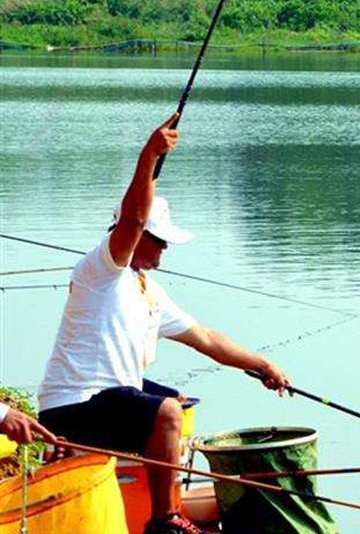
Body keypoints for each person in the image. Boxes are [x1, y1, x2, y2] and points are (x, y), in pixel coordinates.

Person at [37, 113, 291, 534]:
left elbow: (207, 339)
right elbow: (133, 221)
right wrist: (149, 155)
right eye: (161, 241)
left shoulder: (147, 290)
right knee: (166, 413)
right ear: (139, 238)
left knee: (174, 399)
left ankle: (155, 492)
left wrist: (262, 365)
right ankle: (164, 519)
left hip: (109, 398)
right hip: (73, 407)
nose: (164, 252)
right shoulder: (101, 271)